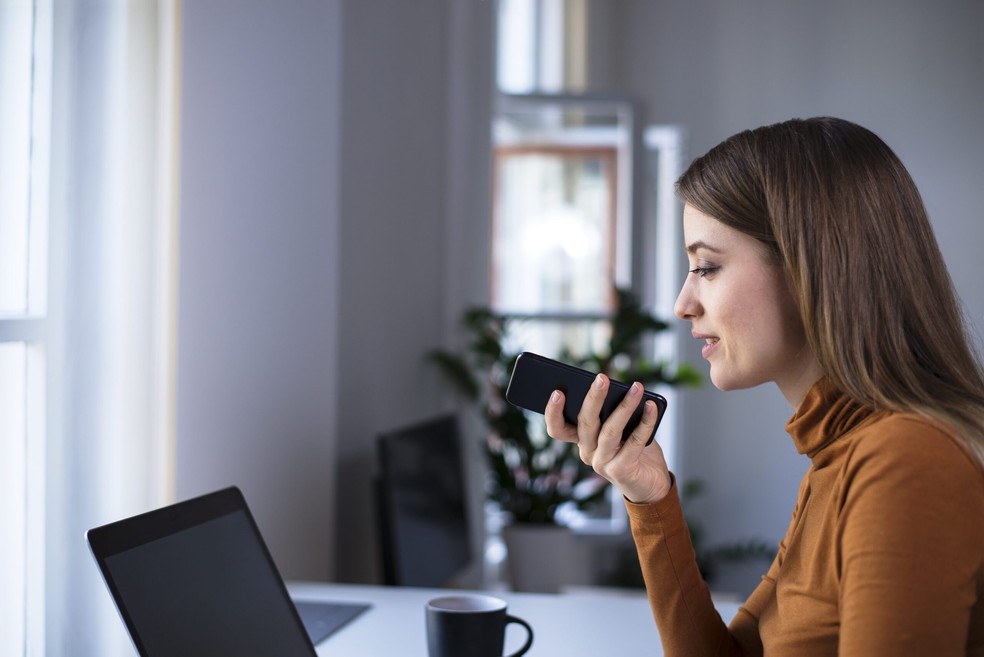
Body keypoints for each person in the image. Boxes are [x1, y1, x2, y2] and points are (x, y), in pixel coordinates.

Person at [544, 117, 984, 655]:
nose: (683, 304)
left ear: (810, 266)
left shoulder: (905, 462)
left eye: (706, 266)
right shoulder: (838, 460)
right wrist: (650, 496)